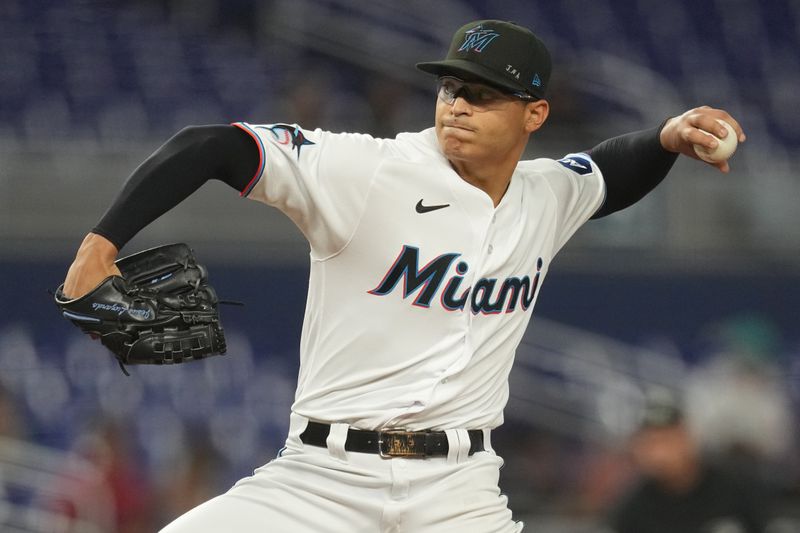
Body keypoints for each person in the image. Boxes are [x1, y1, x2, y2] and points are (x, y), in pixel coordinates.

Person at [60, 20, 745, 532]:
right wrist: (102, 241)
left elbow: (608, 172)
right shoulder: (368, 170)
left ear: (535, 114)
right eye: (451, 87)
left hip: (459, 491)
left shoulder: (544, 196)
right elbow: (210, 145)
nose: (457, 105)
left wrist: (667, 137)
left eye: (483, 94)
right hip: (321, 479)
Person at [606, 390, 769, 533]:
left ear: (689, 438)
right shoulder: (631, 511)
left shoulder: (737, 487)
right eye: (651, 443)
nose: (660, 453)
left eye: (668, 440)